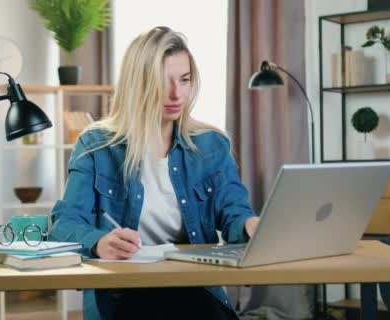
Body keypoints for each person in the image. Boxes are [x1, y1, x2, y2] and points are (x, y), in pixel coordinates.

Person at [50, 26, 260, 320]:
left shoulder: (212, 144)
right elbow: (64, 222)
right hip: (123, 295)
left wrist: (252, 225)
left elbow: (233, 212)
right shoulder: (96, 144)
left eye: (184, 80)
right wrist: (99, 242)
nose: (176, 93)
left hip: (194, 291)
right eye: (163, 82)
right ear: (138, 83)